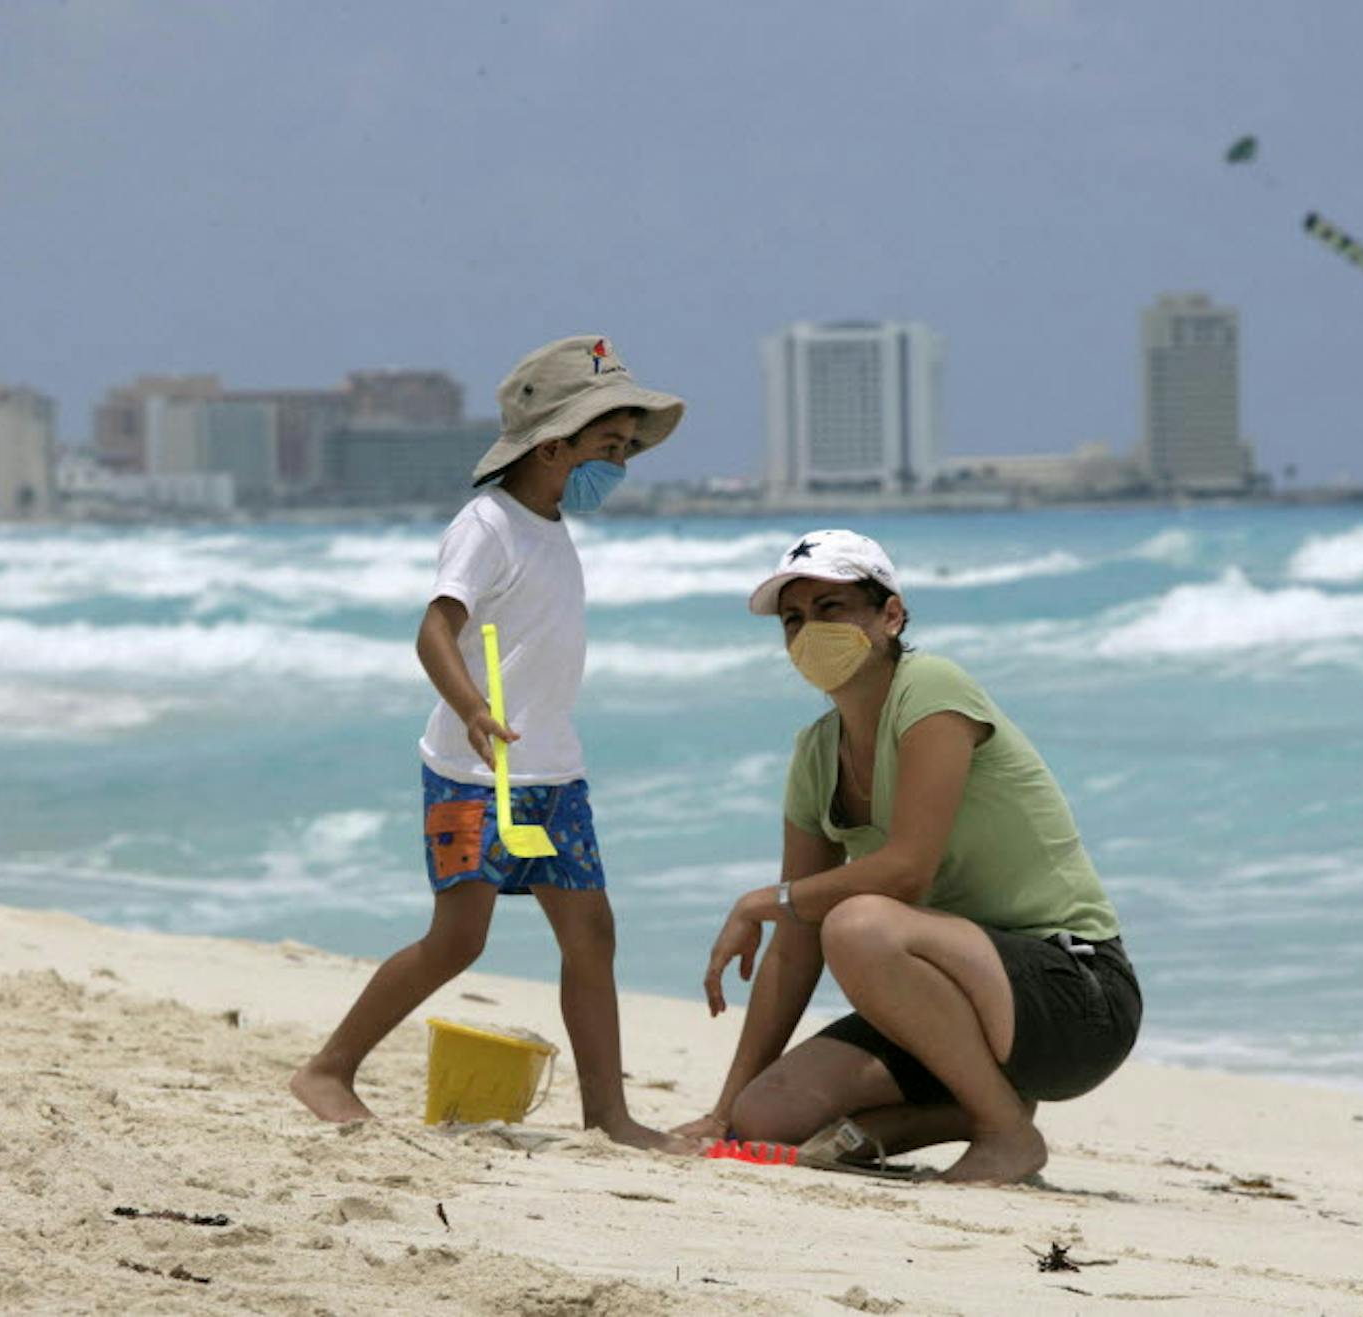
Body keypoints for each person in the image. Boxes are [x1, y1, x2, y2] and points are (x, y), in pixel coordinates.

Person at [291, 335, 687, 1153]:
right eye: (608, 447)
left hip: (552, 771)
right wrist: (470, 708)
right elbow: (436, 629)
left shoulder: (550, 523)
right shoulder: (489, 524)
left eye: (624, 448)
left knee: (592, 934)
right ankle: (329, 1068)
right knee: (458, 939)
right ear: (554, 446)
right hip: (473, 773)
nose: (619, 463)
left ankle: (607, 1115)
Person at [678, 530, 1140, 1184]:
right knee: (767, 1116)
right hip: (954, 1001)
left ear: (890, 615)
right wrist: (723, 1110)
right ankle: (975, 1106)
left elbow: (907, 867)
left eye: (831, 608)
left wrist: (759, 900)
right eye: (793, 619)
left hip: (1076, 995)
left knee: (860, 922)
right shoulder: (816, 752)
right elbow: (796, 937)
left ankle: (1005, 1132)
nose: (809, 630)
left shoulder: (930, 687)